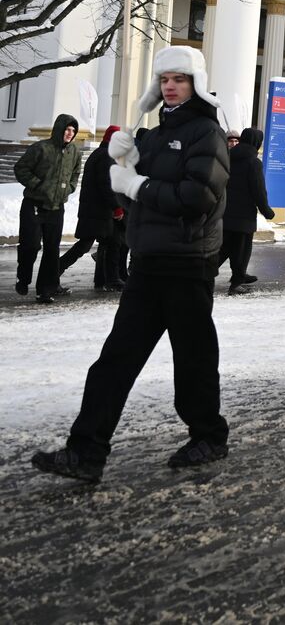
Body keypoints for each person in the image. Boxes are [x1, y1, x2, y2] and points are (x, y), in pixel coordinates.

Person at [31, 47, 231, 483]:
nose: (171, 86)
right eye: (164, 80)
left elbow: (197, 199)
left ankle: (209, 436)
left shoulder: (206, 134)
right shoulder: (154, 136)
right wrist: (119, 171)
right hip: (148, 263)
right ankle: (85, 452)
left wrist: (138, 184)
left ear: (195, 82)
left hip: (188, 263)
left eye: (179, 78)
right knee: (114, 360)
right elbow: (134, 201)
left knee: (193, 360)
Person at [14, 114, 82, 303]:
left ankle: (44, 290)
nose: (70, 133)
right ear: (59, 129)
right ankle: (23, 277)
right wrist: (37, 184)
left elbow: (76, 173)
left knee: (52, 250)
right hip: (34, 204)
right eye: (68, 129)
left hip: (56, 207)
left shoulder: (75, 152)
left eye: (73, 131)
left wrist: (70, 188)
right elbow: (20, 168)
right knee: (31, 245)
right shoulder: (41, 148)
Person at [58, 125, 126, 292]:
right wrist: (116, 207)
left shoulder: (101, 154)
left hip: (95, 210)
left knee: (111, 242)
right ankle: (54, 271)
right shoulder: (105, 157)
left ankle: (109, 279)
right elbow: (106, 185)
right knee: (86, 245)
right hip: (98, 211)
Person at [220, 128, 275, 295]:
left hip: (224, 211)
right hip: (244, 215)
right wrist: (267, 211)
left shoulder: (227, 157)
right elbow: (258, 190)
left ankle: (203, 275)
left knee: (223, 248)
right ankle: (236, 284)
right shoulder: (253, 162)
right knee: (242, 251)